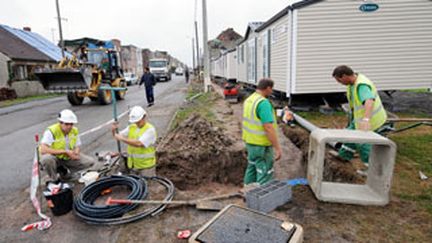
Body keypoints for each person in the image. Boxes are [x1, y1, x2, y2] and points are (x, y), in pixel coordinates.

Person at [332, 65, 388, 167]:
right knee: (349, 135)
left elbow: (369, 101)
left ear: (344, 76)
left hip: (370, 120)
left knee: (363, 144)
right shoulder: (352, 83)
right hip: (359, 119)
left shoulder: (361, 86)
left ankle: (371, 169)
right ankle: (344, 156)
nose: (340, 83)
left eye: (339, 80)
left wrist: (366, 120)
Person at [242, 78, 282, 185]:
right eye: (271, 89)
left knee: (252, 167)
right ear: (268, 88)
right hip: (262, 145)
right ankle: (261, 198)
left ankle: (247, 192)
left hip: (250, 143)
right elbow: (268, 127)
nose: (272, 91)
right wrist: (277, 148)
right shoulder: (263, 103)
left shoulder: (249, 100)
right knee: (265, 172)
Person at [40, 109, 92, 183]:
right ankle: (54, 179)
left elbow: (77, 145)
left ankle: (65, 173)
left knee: (89, 162)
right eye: (67, 124)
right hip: (55, 158)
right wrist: (65, 152)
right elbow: (43, 149)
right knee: (46, 159)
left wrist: (76, 153)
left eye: (71, 124)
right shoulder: (51, 131)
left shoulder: (74, 130)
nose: (69, 126)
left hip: (67, 158)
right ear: (60, 123)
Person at [111, 106, 157, 177]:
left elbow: (139, 143)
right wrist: (113, 130)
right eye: (135, 122)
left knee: (147, 185)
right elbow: (117, 136)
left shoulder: (150, 130)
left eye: (138, 121)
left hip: (146, 167)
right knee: (135, 185)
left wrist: (122, 138)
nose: (137, 123)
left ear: (144, 117)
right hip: (133, 165)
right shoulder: (132, 127)